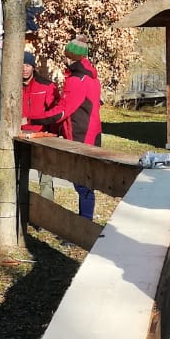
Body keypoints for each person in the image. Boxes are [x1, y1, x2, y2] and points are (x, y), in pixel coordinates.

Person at [37, 40, 103, 218]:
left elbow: (63, 110)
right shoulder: (91, 77)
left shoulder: (77, 80)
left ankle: (84, 224)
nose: (64, 59)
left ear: (71, 57)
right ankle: (85, 222)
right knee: (84, 182)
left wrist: (36, 118)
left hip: (81, 137)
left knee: (82, 183)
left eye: (66, 55)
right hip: (90, 133)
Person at [20, 51, 58, 133]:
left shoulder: (46, 86)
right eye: (21, 65)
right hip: (18, 132)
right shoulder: (13, 87)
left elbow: (54, 113)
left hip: (39, 134)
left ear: (33, 67)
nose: (24, 69)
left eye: (27, 65)